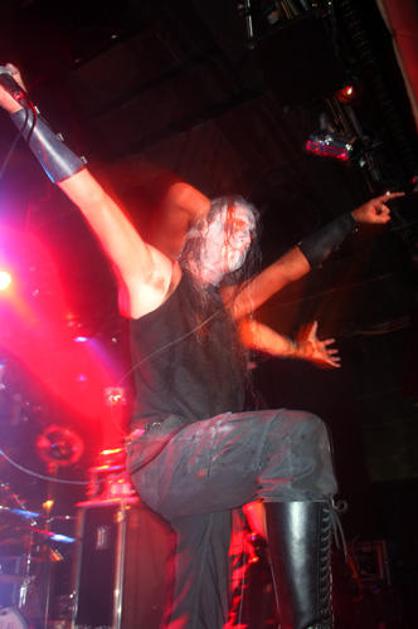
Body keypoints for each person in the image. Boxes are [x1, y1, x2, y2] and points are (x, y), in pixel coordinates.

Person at [0, 64, 403, 629]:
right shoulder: (154, 278)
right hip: (164, 454)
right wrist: (21, 108)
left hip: (205, 465)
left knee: (204, 600)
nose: (242, 238)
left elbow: (289, 266)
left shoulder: (225, 307)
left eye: (248, 233)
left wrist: (350, 221)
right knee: (299, 434)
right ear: (200, 229)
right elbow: (93, 201)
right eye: (231, 224)